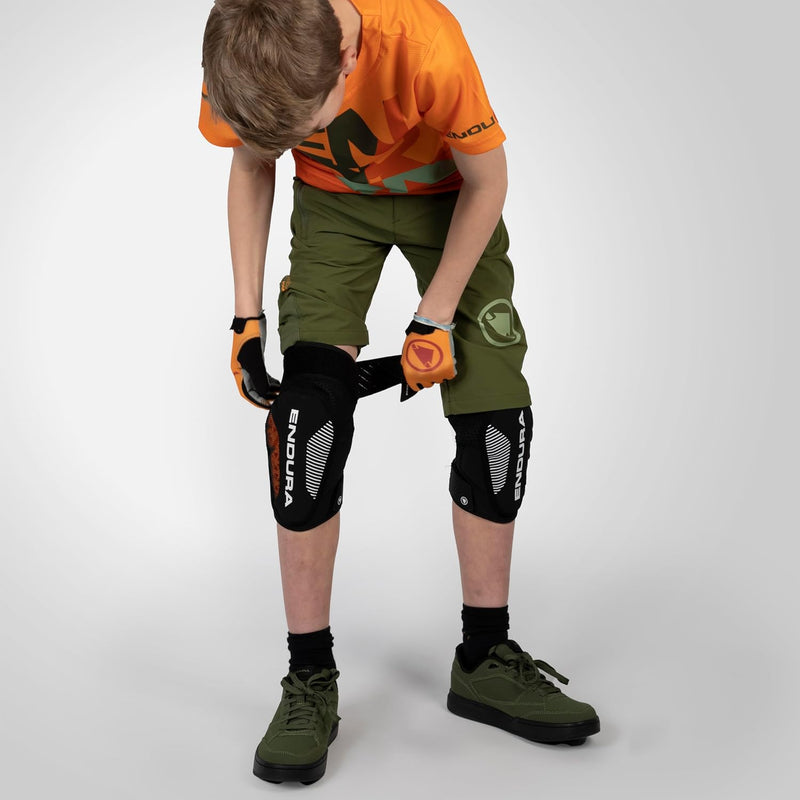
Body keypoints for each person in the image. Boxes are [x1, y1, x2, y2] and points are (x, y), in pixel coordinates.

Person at [199, 0, 599, 785]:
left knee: (497, 424)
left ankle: (484, 657)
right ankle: (309, 676)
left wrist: (435, 315)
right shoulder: (248, 42)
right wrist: (246, 318)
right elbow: (252, 163)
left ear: (347, 62)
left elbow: (489, 178)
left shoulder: (426, 45)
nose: (294, 135)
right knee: (305, 428)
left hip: (450, 198)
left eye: (309, 122)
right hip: (332, 209)